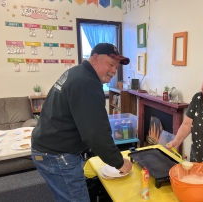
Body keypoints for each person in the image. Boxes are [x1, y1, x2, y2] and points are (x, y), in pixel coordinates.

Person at [31, 43, 132, 201]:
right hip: (57, 155)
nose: (114, 71)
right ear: (95, 58)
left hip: (49, 148)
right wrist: (119, 162)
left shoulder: (77, 72)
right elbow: (96, 134)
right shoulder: (88, 83)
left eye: (117, 67)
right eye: (111, 64)